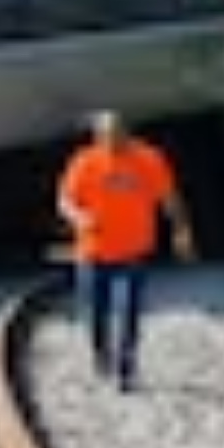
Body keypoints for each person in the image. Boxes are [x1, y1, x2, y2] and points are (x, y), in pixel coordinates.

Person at [55, 109, 194, 394]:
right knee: (96, 312)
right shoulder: (84, 162)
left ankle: (125, 368)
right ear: (97, 137)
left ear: (127, 132)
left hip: (133, 250)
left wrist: (181, 230)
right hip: (92, 252)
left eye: (118, 134)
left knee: (129, 311)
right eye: (106, 136)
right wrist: (78, 217)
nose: (113, 141)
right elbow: (65, 201)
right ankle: (101, 355)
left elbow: (168, 197)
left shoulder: (148, 159)